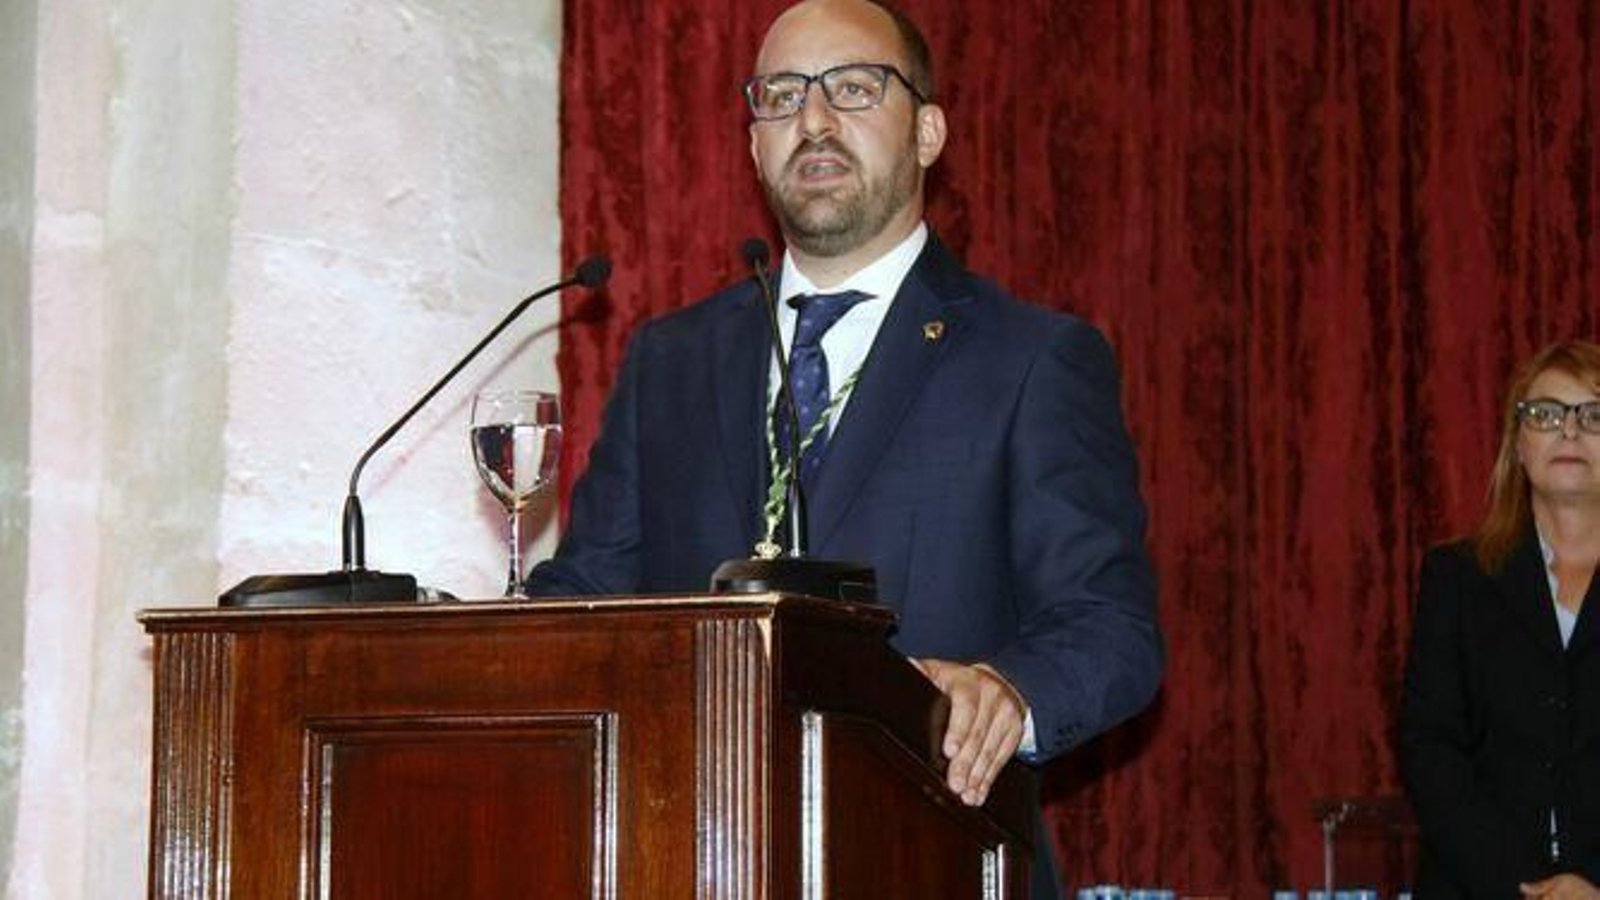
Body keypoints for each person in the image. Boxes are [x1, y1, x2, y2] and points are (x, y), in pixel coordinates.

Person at [528, 1, 1164, 895]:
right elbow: (587, 597)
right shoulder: (670, 358)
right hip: (687, 858)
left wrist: (1011, 692)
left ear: (930, 131)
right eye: (781, 96)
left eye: (855, 89)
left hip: (931, 852)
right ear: (753, 145)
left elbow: (1113, 628)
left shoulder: (1032, 359)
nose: (814, 121)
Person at [1400, 341, 1600, 898]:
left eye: (1594, 415)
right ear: (1518, 446)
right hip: (1479, 887)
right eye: (1546, 414)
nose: (1569, 431)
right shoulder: (1458, 578)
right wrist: (1529, 888)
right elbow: (1431, 748)